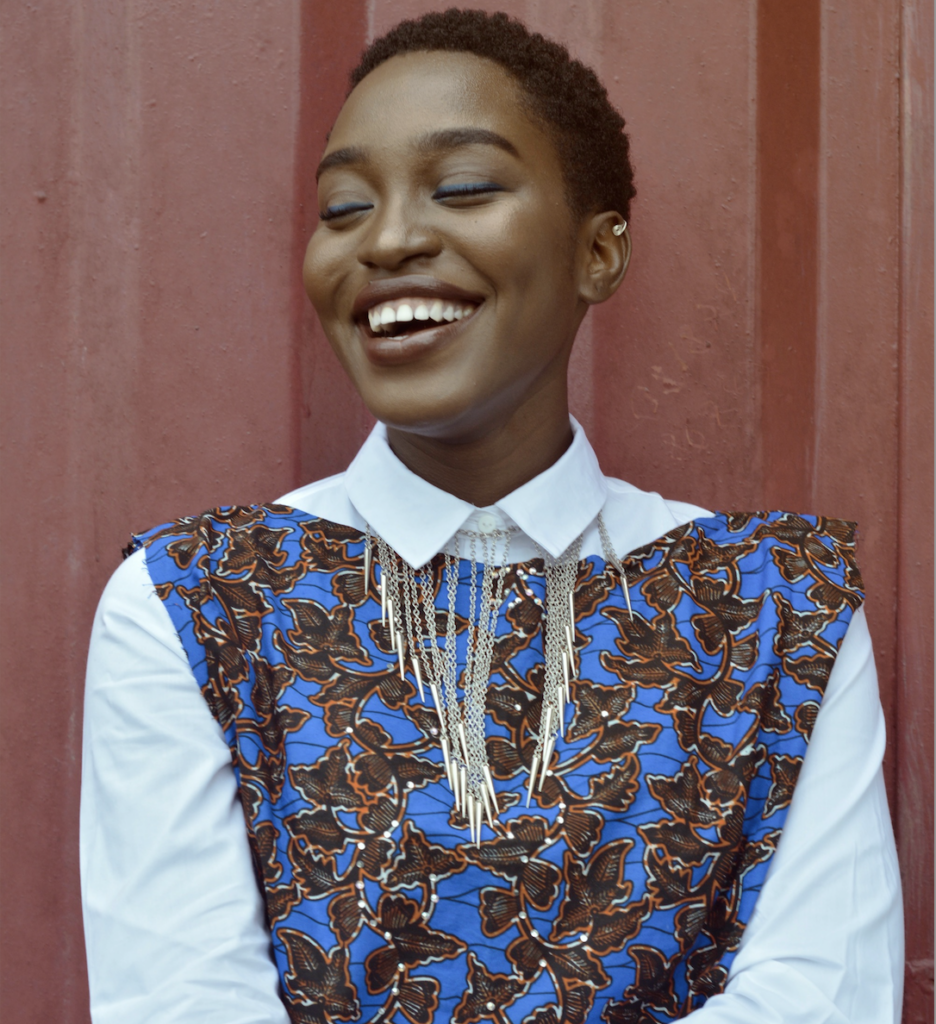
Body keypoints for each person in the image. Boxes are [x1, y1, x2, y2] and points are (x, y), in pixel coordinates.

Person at [80, 9, 903, 1023]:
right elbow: (183, 1000)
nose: (387, 238)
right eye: (344, 207)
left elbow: (824, 998)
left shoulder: (777, 615)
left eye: (463, 187)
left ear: (598, 252)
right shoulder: (193, 606)